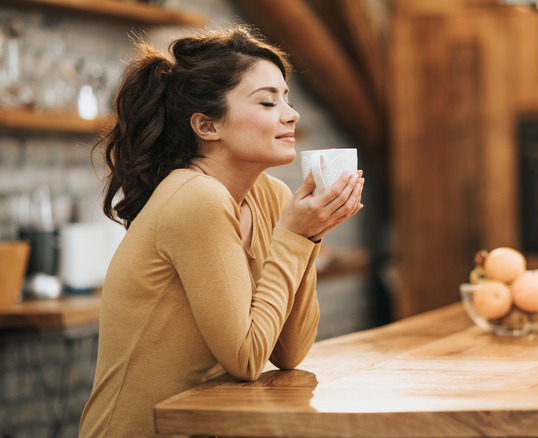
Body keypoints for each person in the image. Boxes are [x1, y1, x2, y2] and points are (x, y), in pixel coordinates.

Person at [79, 26, 364, 437]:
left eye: (286, 97)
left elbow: (289, 351)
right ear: (207, 127)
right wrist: (296, 237)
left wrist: (310, 237)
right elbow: (247, 360)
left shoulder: (269, 196)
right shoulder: (197, 198)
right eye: (268, 101)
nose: (291, 113)